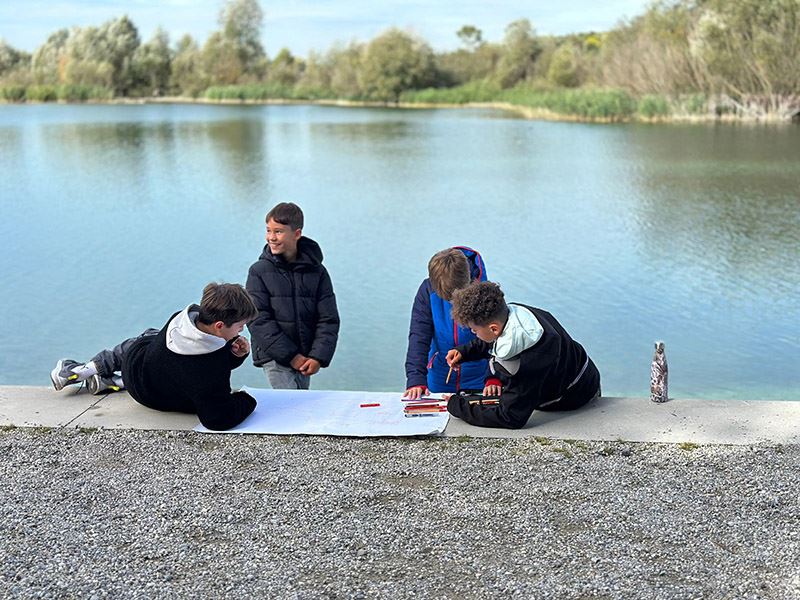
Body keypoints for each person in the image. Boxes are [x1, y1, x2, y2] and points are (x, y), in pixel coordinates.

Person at [50, 283, 259, 431]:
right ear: (219, 326)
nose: (241, 332)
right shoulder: (206, 371)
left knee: (145, 338)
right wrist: (246, 399)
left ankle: (88, 370)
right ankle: (111, 380)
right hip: (152, 396)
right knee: (152, 346)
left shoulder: (181, 318)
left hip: (139, 367)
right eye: (240, 326)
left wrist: (232, 354)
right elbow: (218, 419)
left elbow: (204, 356)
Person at [445, 281, 600, 429]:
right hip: (576, 366)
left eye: (474, 330)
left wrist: (457, 406)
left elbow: (510, 417)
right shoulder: (512, 314)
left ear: (493, 328)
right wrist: (464, 352)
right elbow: (493, 338)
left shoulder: (527, 362)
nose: (474, 334)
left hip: (574, 392)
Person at [246, 202, 339, 390]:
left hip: (305, 358)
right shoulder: (259, 271)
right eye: (268, 231)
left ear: (297, 234)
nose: (271, 237)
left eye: (278, 232)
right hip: (274, 356)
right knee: (290, 404)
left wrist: (317, 357)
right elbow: (257, 319)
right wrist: (291, 356)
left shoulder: (318, 272)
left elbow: (328, 319)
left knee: (300, 405)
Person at [404, 247, 499, 400]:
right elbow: (418, 336)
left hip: (481, 379)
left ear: (468, 283)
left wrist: (494, 377)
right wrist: (416, 379)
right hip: (439, 377)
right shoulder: (427, 289)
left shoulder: (487, 292)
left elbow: (499, 338)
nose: (450, 303)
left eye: (454, 300)